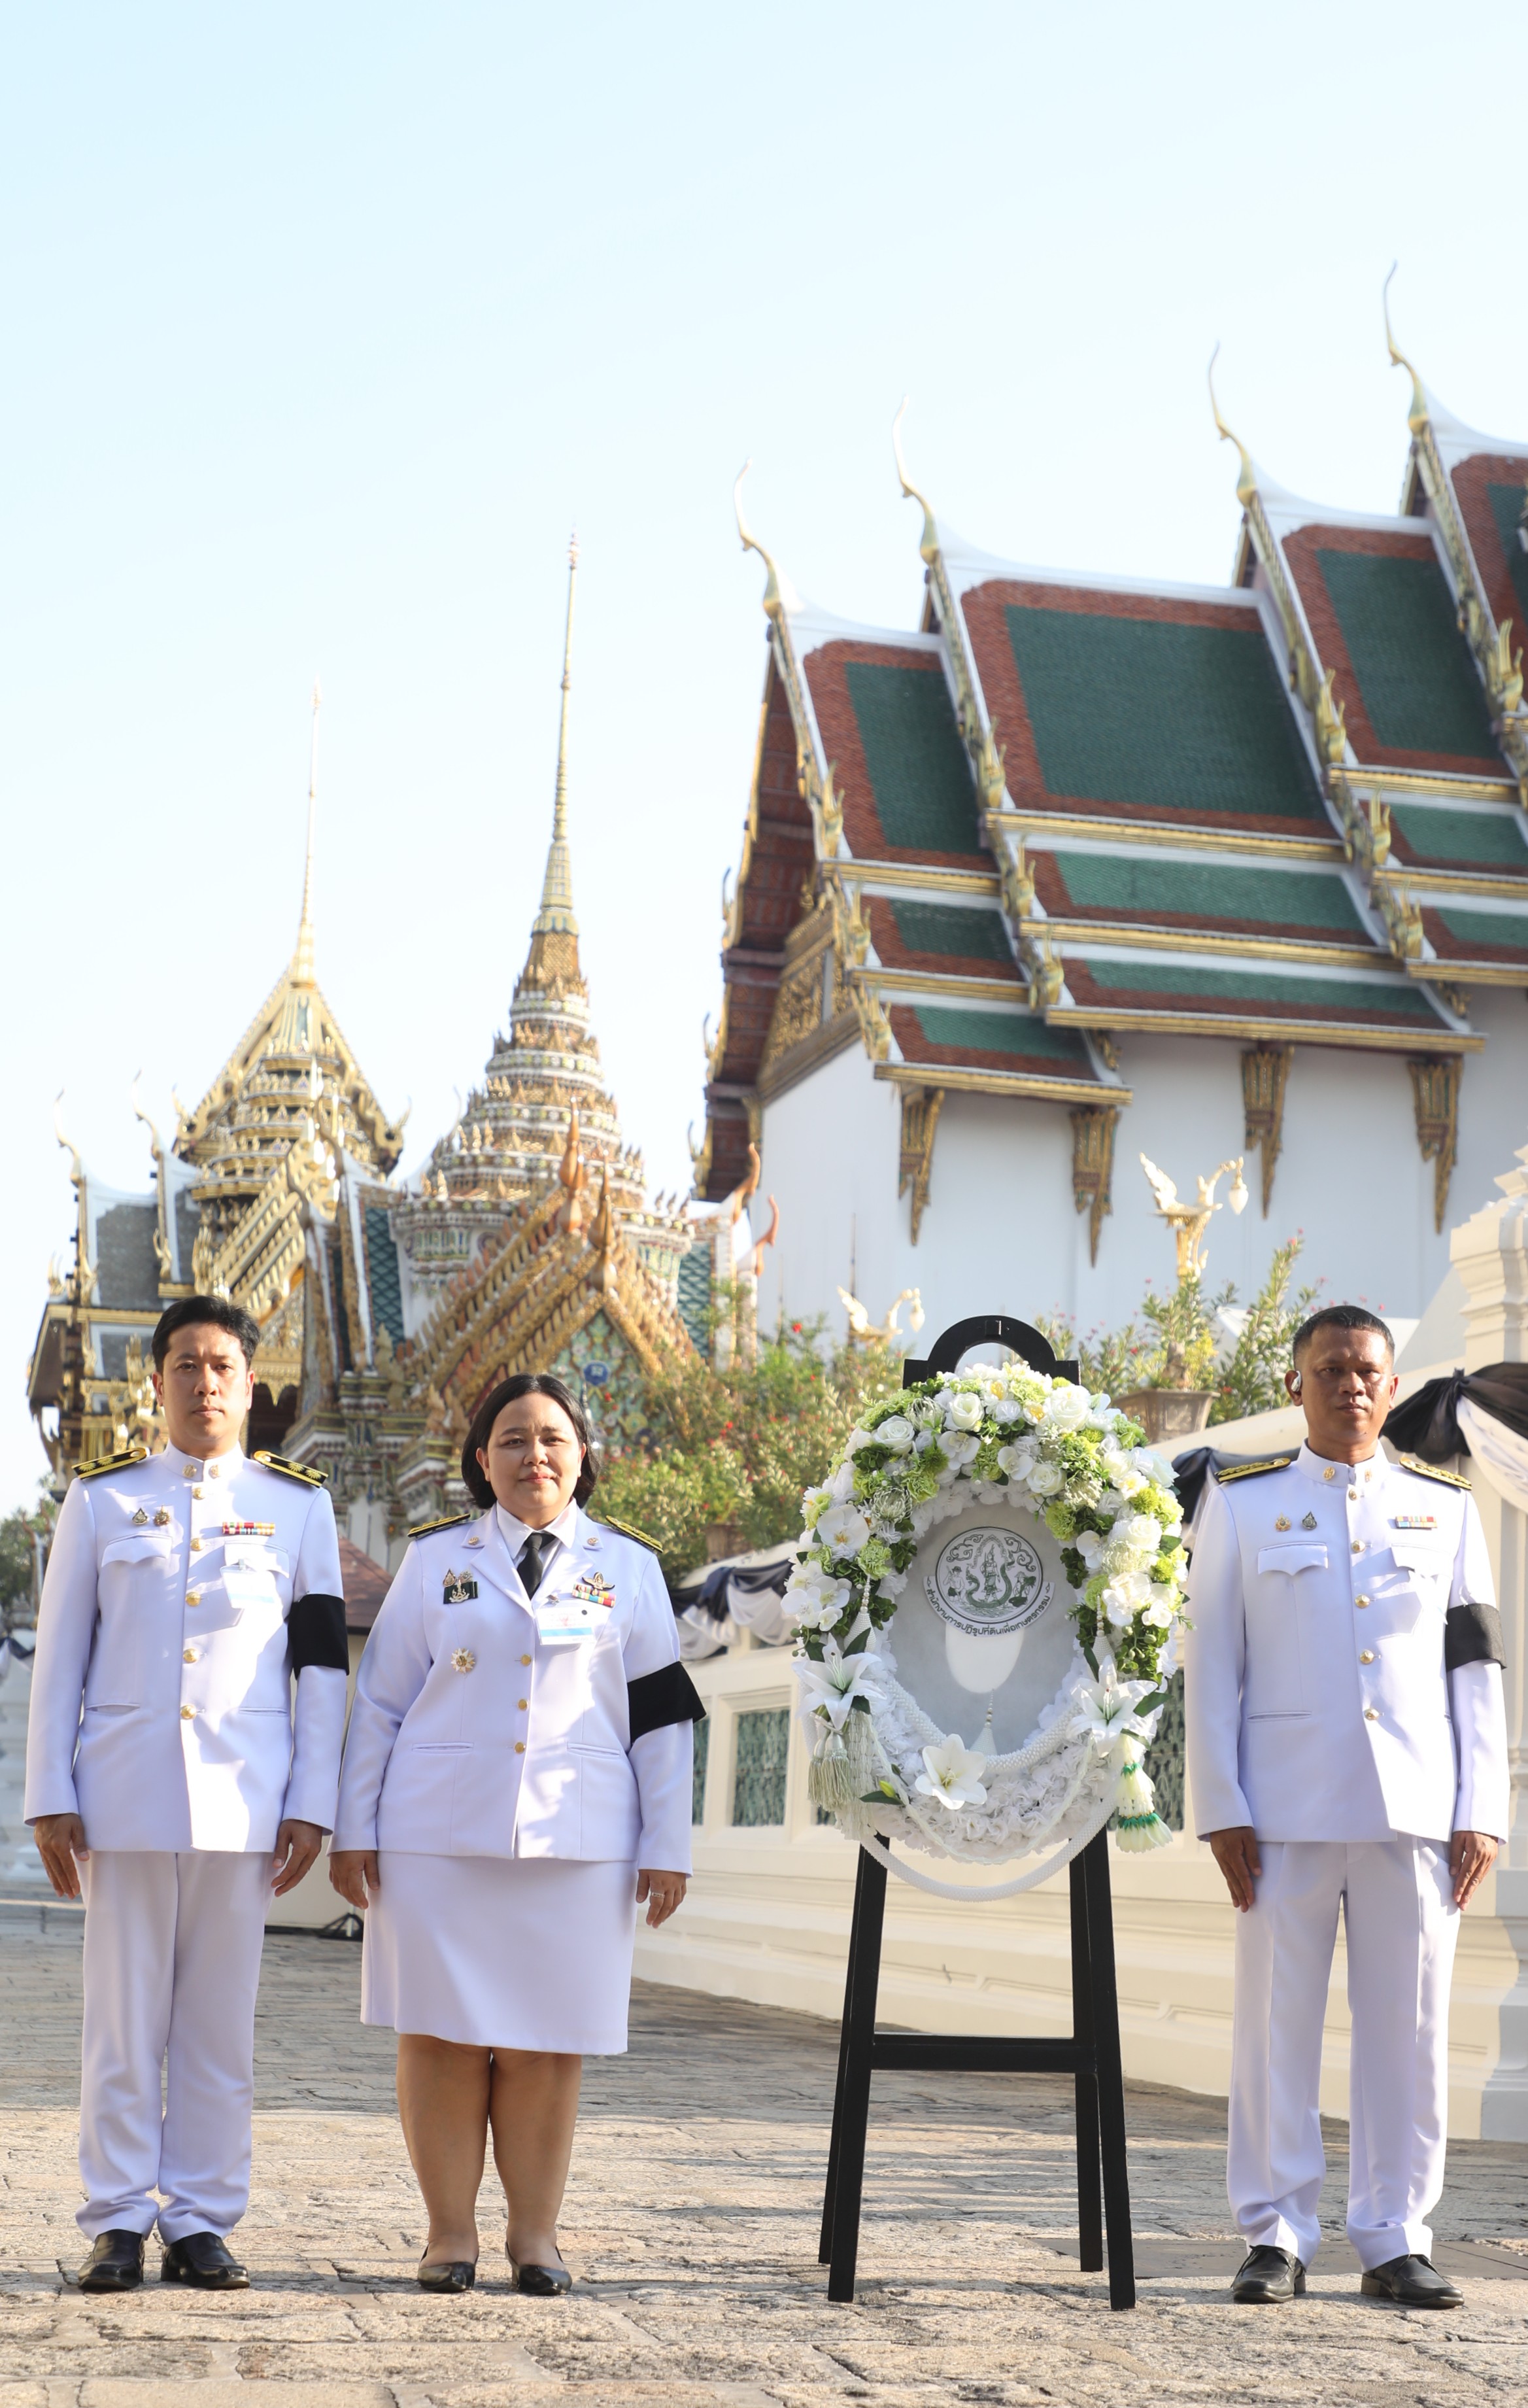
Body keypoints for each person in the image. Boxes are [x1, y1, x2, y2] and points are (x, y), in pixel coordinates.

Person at [329, 1371, 702, 2296]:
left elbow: (659, 1717)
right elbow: (378, 1705)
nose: (533, 1455)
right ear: (480, 1460)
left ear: (581, 1457)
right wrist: (353, 1829)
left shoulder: (628, 1568)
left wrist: (668, 1844)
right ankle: (446, 2235)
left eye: (551, 1438)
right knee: (441, 2035)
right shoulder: (433, 1560)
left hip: (577, 1845)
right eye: (511, 1439)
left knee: (547, 2041)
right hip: (435, 1839)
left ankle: (535, 2236)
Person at [1186, 1303, 1507, 2310]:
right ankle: (1275, 2233)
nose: (1350, 1386)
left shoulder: (1446, 1509)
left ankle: (1392, 2235)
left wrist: (1481, 1802)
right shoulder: (1239, 1505)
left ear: (1394, 1386)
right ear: (1295, 1386)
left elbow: (1477, 1666)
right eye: (1329, 1369)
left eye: (1367, 1370)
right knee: (1274, 2028)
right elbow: (1212, 1667)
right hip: (1279, 1811)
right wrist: (1219, 1804)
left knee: (1408, 2030)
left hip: (1414, 1808)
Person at [26, 1296, 348, 2293]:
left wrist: (313, 1798)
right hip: (123, 1798)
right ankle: (118, 2217)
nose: (204, 1383)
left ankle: (202, 2217)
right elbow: (60, 1662)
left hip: (245, 1803)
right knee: (122, 2020)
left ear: (251, 1383)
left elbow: (324, 1671)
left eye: (221, 1366)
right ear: (156, 1381)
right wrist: (49, 1790)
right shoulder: (102, 1502)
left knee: (217, 2022)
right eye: (185, 1366)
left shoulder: (300, 1507)